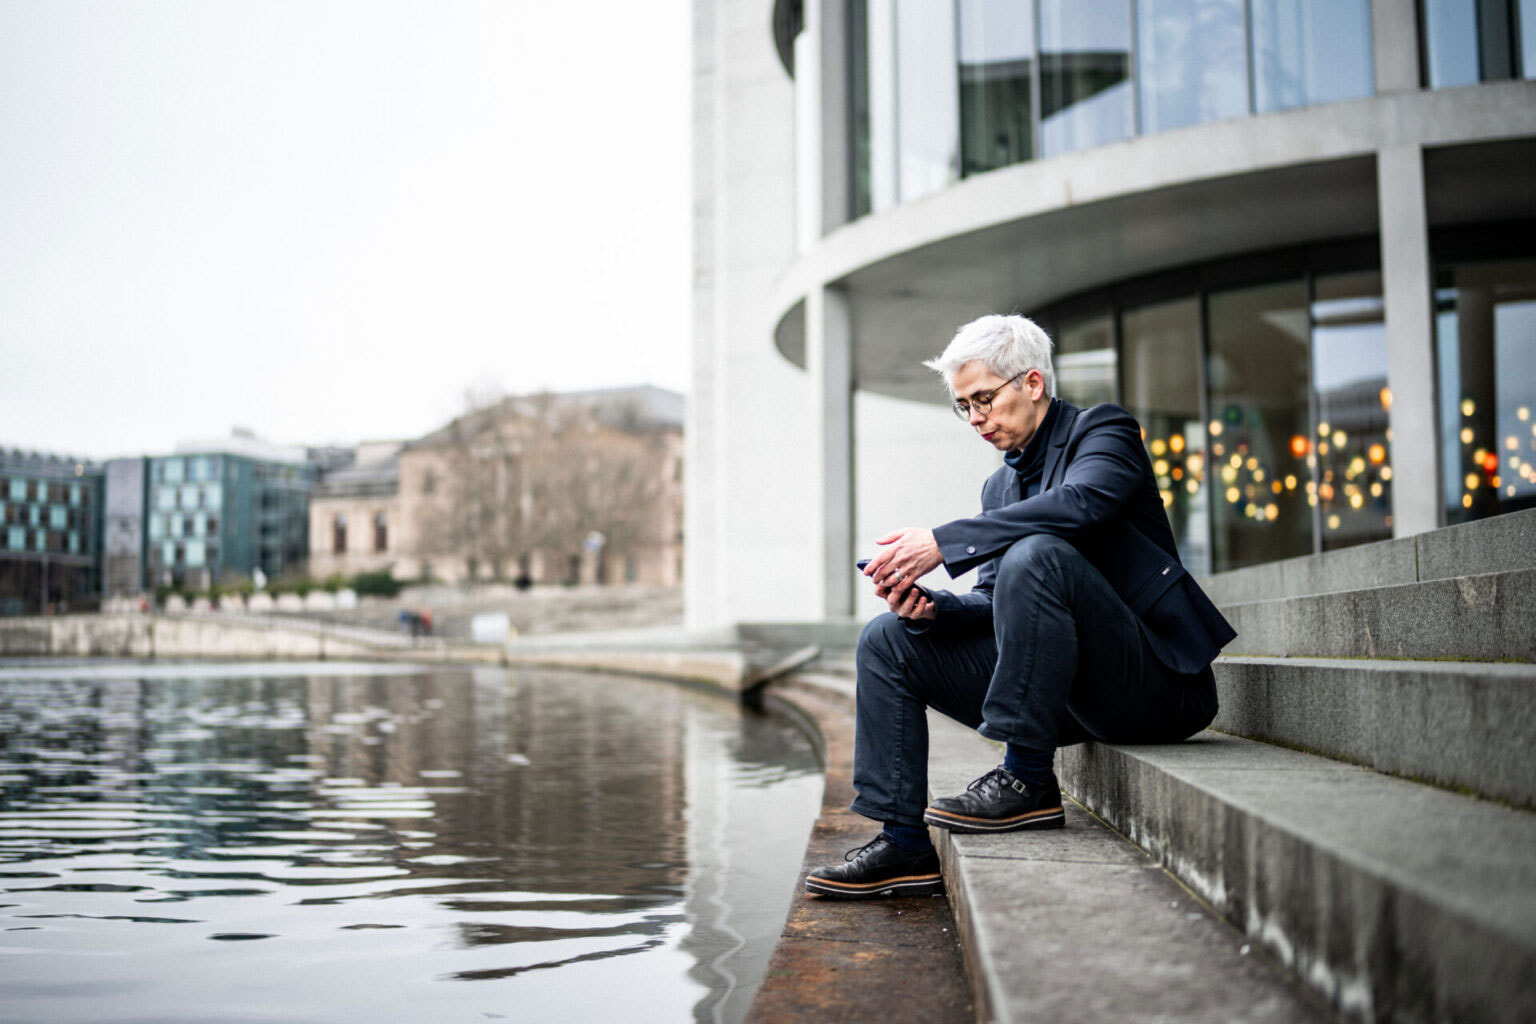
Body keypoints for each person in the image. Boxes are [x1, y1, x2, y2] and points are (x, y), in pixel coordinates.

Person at [805, 314, 1235, 900]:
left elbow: (1081, 505)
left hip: (1155, 686)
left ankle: (1027, 778)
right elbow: (993, 601)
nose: (976, 418)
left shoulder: (1104, 432)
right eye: (965, 406)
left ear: (1032, 383)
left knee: (1038, 553)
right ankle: (902, 843)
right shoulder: (998, 490)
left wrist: (944, 541)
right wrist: (933, 611)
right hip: (1066, 691)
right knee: (887, 639)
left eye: (984, 399)